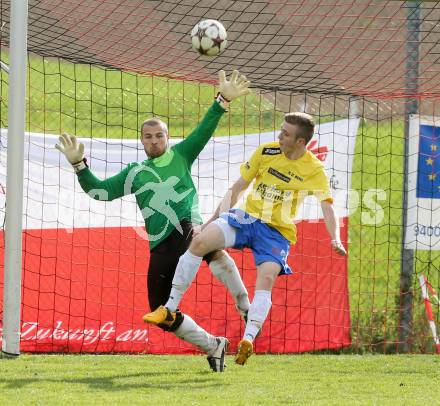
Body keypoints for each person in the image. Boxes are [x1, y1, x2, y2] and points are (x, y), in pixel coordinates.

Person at [55, 70, 251, 372]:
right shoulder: (135, 172)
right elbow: (100, 192)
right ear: (142, 141)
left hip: (187, 225)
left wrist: (222, 100)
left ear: (168, 138)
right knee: (160, 312)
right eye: (149, 136)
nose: (155, 140)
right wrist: (79, 165)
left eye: (159, 135)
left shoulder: (183, 154)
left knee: (206, 243)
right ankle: (214, 345)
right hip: (161, 245)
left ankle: (247, 308)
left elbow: (204, 129)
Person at [143, 111, 347, 366]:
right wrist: (208, 223)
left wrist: (335, 238)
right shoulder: (267, 152)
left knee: (267, 277)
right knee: (199, 242)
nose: (279, 136)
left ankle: (248, 339)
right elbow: (237, 188)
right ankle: (170, 307)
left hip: (276, 231)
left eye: (285, 134)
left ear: (300, 142)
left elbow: (327, 206)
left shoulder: (314, 169)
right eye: (281, 131)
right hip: (246, 218)